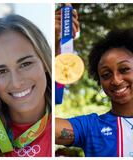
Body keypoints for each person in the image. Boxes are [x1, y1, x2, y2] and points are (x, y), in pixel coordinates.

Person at [0, 14, 52, 157]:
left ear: (44, 61)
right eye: (1, 71)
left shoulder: (65, 123)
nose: (16, 83)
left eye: (25, 64)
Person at [56, 28, 133, 157]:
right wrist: (56, 45)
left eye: (124, 69)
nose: (116, 80)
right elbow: (47, 128)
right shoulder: (91, 128)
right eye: (106, 74)